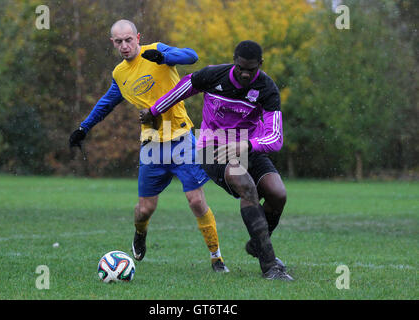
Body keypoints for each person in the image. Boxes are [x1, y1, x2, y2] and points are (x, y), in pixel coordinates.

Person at [69, 20, 229, 272]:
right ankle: (140, 233)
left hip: (181, 138)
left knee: (196, 201)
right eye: (119, 41)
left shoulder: (155, 51)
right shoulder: (120, 74)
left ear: (137, 37)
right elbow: (106, 103)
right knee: (144, 209)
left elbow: (191, 56)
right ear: (113, 43)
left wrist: (164, 55)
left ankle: (216, 257)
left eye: (128, 39)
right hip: (152, 144)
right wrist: (83, 127)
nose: (124, 45)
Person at [140, 40, 293, 280]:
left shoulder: (267, 89)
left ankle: (258, 243)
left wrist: (247, 145)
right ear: (234, 61)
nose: (244, 73)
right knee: (245, 185)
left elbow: (275, 137)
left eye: (250, 69)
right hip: (212, 145)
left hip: (247, 146)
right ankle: (270, 265)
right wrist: (154, 110)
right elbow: (183, 88)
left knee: (278, 193)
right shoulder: (213, 75)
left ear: (260, 65)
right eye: (240, 67)